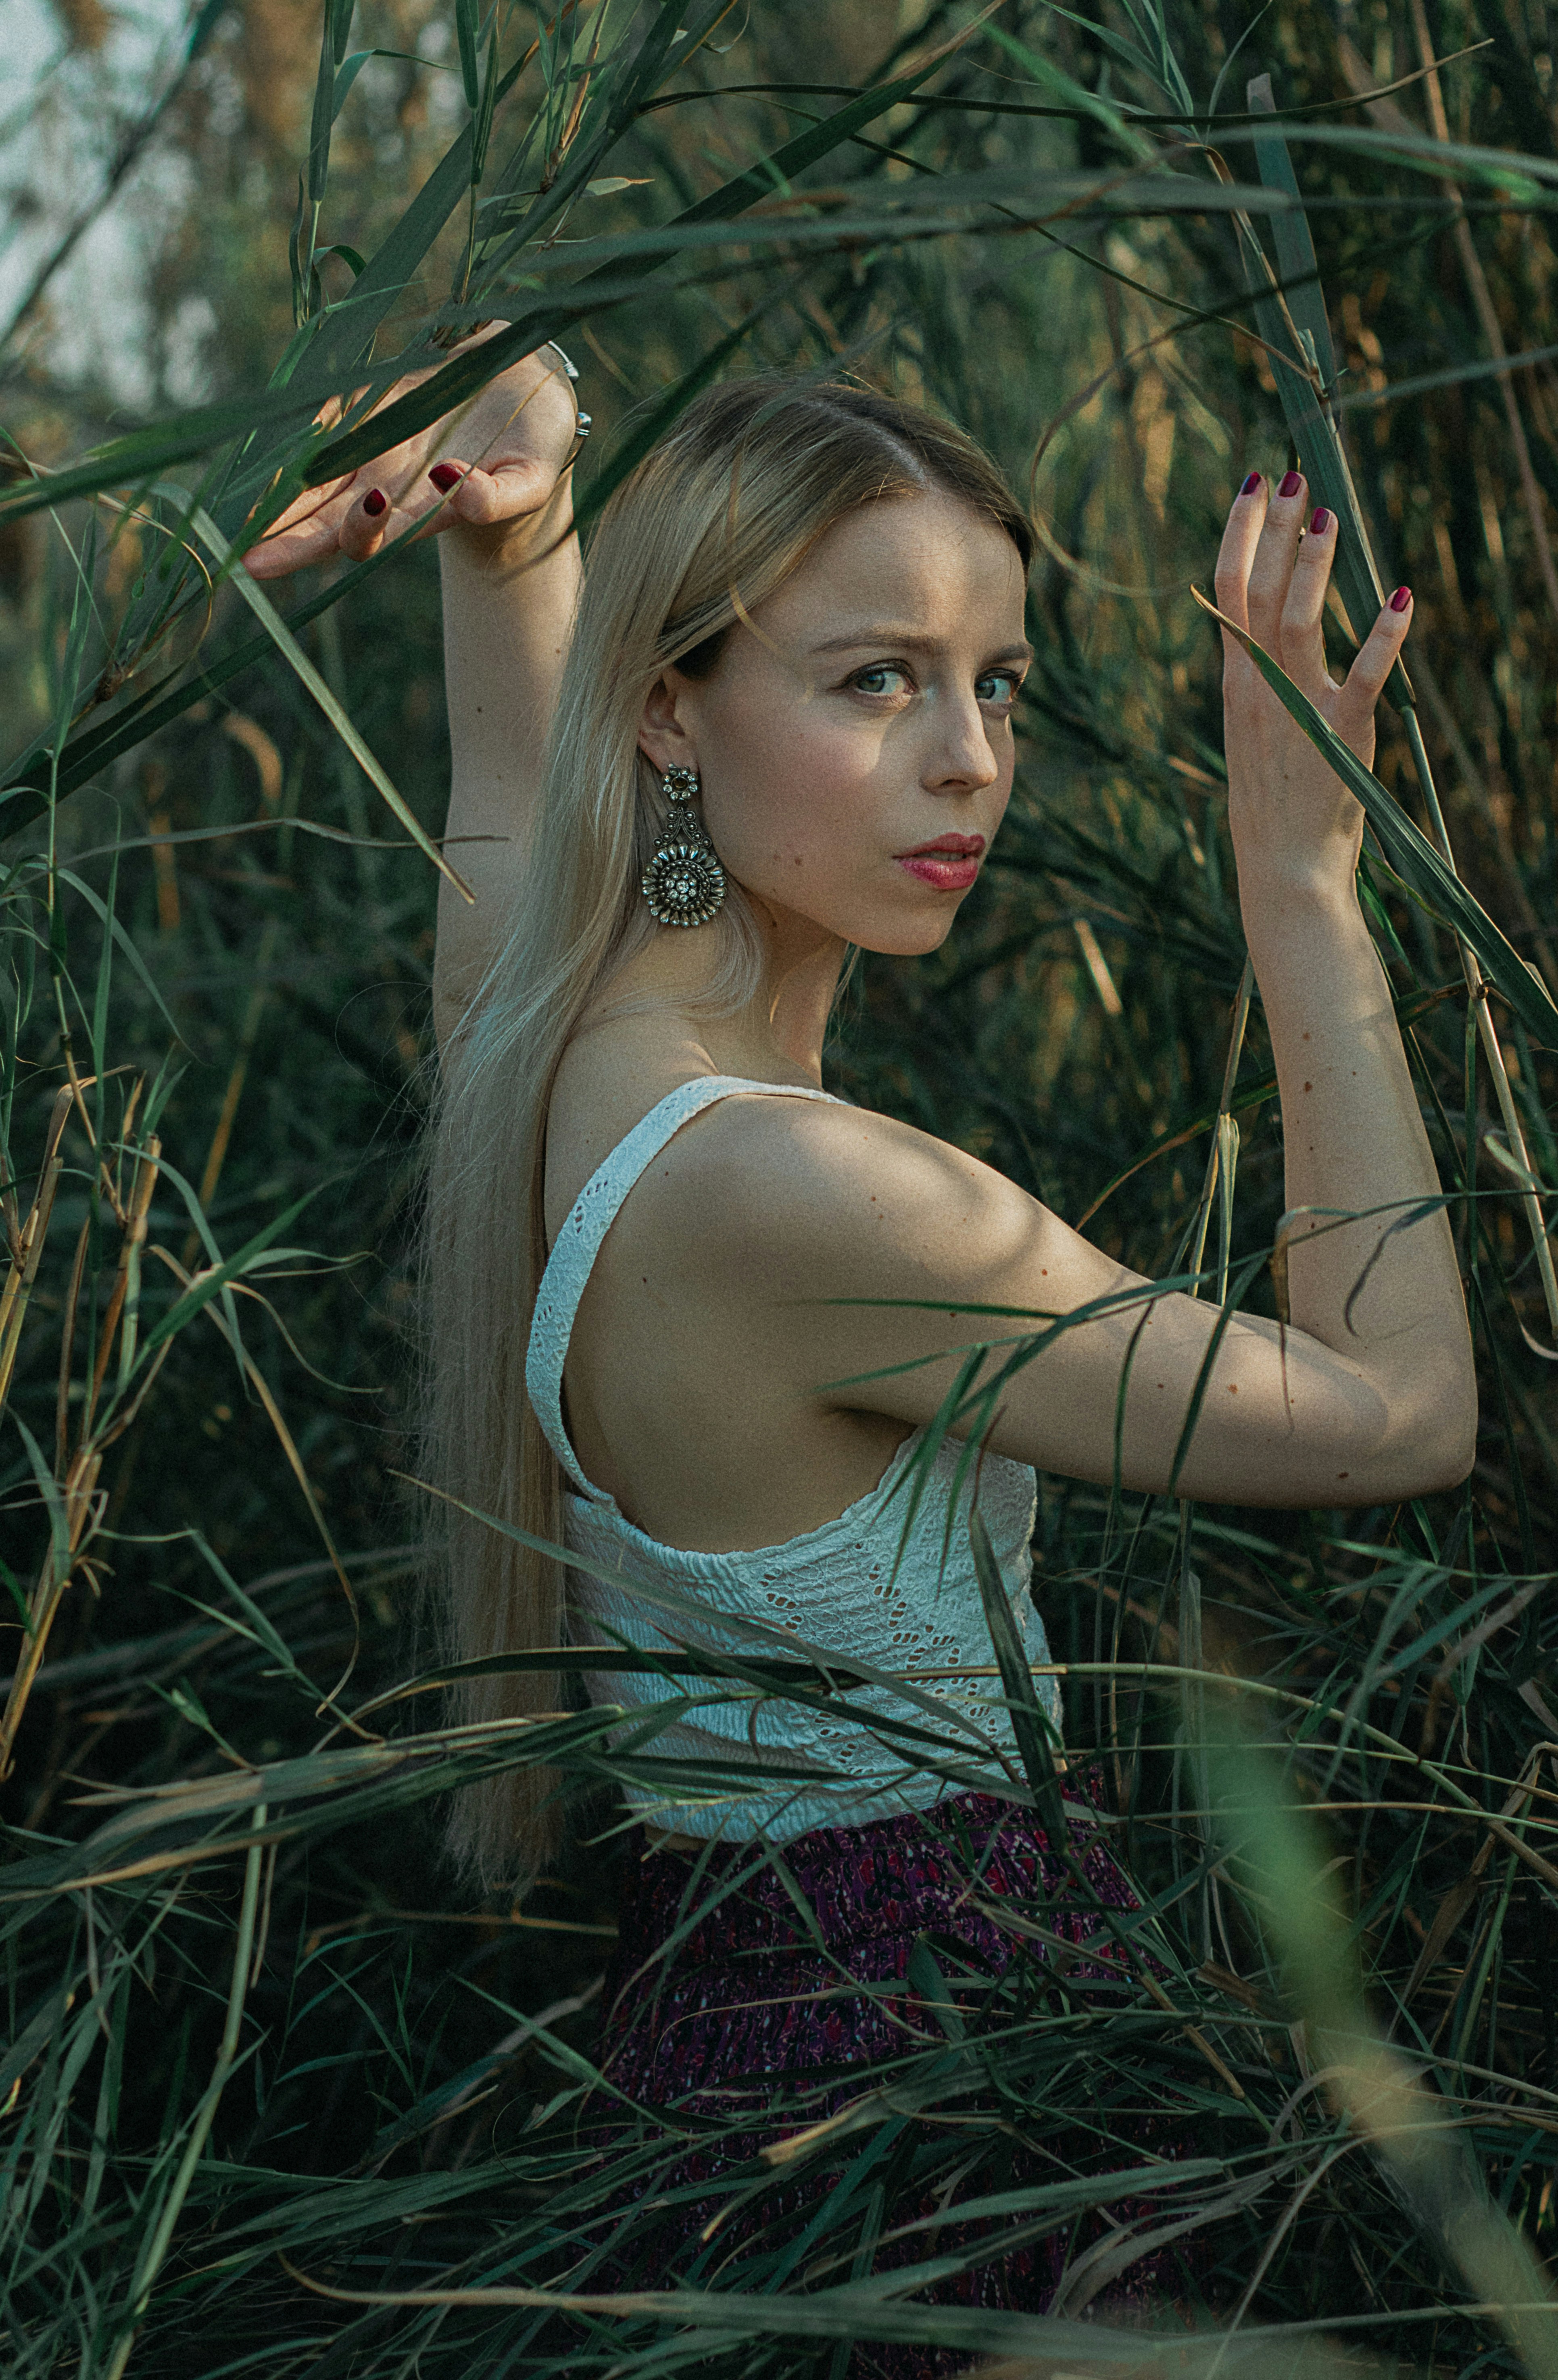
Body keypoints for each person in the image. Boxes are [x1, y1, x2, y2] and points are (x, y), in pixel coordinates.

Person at [246, 335, 1476, 2352]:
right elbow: (1403, 1411)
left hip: (729, 2082)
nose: (973, 759)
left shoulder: (544, 1063)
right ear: (669, 704)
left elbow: (509, 779)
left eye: (998, 683)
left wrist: (521, 505)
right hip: (947, 2102)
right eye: (875, 678)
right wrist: (1301, 884)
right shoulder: (796, 1203)